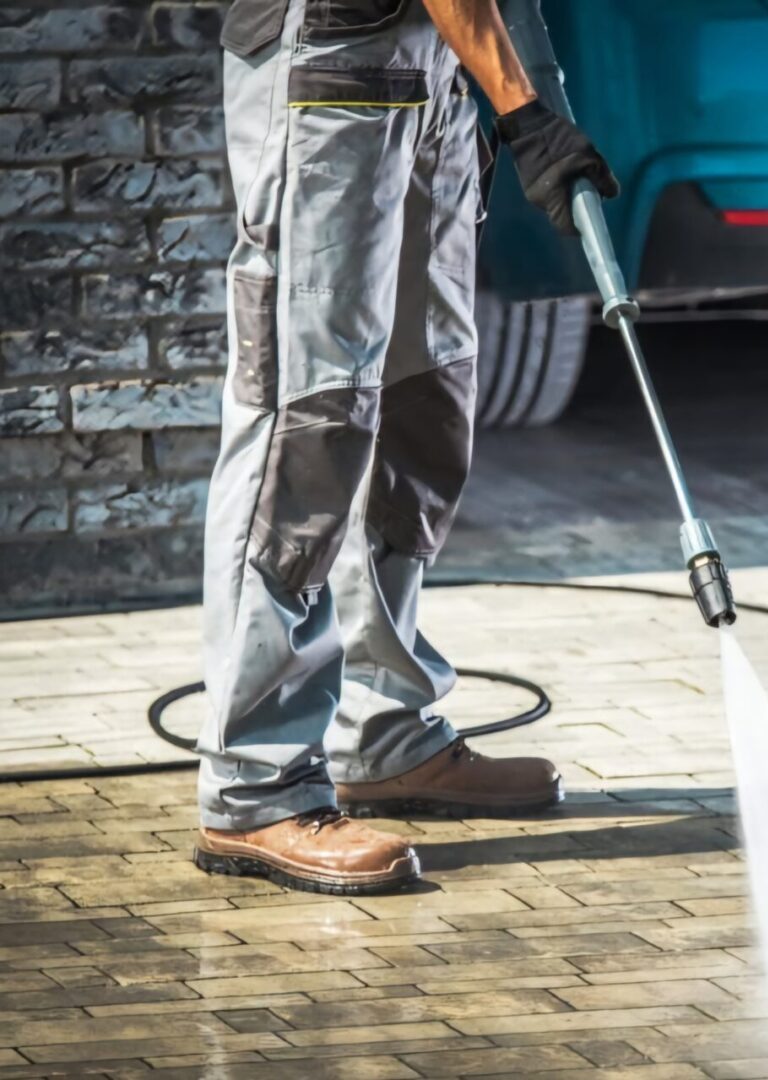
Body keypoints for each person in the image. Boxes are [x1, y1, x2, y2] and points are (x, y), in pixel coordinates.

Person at [194, 0, 615, 895]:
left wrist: (527, 92)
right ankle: (255, 784)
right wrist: (523, 108)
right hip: (327, 68)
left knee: (424, 405)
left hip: (432, 74)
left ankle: (382, 731)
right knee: (307, 423)